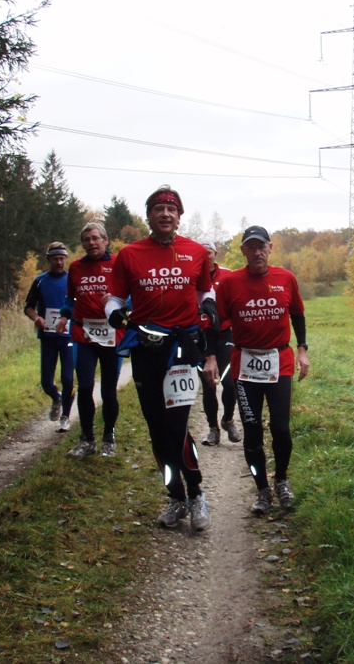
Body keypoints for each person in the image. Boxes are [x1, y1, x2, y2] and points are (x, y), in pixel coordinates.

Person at [104, 185, 217, 532]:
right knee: (157, 429)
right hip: (146, 348)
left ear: (179, 216)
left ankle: (197, 495)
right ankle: (175, 496)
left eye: (171, 210)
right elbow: (114, 299)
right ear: (149, 215)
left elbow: (204, 290)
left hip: (182, 347)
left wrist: (209, 306)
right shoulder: (129, 254)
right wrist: (117, 317)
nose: (165, 214)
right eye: (158, 209)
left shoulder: (196, 252)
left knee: (177, 426)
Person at [214, 226, 310, 514]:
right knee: (253, 431)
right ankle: (262, 491)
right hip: (245, 368)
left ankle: (281, 480)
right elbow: (218, 323)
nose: (257, 252)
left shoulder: (286, 278)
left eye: (261, 246)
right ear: (243, 251)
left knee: (281, 429)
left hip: (279, 362)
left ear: (270, 248)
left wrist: (302, 349)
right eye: (250, 247)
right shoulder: (230, 284)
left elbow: (297, 314)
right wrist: (211, 353)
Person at [55, 223, 123, 458]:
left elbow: (133, 295)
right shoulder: (75, 267)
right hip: (84, 334)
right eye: (86, 239)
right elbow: (70, 297)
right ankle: (87, 439)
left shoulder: (118, 263)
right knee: (84, 387)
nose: (91, 243)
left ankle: (109, 436)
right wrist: (64, 315)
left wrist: (118, 301)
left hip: (112, 334)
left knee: (108, 390)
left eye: (95, 238)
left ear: (106, 240)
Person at [24, 242, 76, 432]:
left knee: (68, 378)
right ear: (48, 260)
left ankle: (65, 417)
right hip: (48, 337)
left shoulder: (72, 279)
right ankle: (56, 398)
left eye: (62, 259)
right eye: (55, 259)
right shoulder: (40, 281)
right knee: (46, 381)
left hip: (69, 337)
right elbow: (28, 307)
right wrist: (36, 318)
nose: (59, 262)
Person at [198, 239, 240, 446]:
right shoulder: (191, 275)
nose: (206, 256)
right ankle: (213, 429)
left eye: (209, 252)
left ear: (216, 253)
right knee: (208, 386)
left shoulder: (228, 275)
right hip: (201, 336)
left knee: (229, 383)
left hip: (224, 334)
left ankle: (228, 419)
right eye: (202, 252)